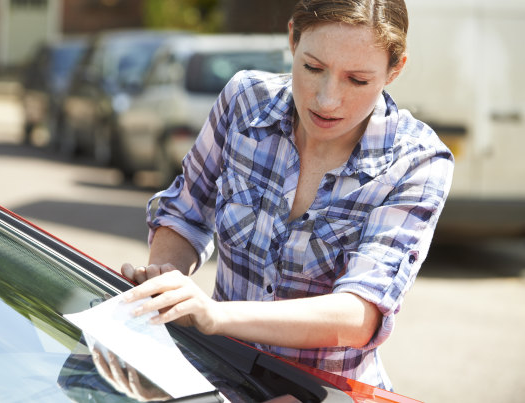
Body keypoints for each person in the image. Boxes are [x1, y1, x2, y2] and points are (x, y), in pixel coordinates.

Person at [121, 0, 454, 391]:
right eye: (313, 68)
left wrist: (214, 315)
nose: (327, 99)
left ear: (395, 70)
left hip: (324, 392)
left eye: (357, 80)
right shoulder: (244, 101)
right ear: (293, 38)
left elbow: (360, 314)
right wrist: (165, 282)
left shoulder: (418, 161)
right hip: (219, 377)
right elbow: (186, 210)